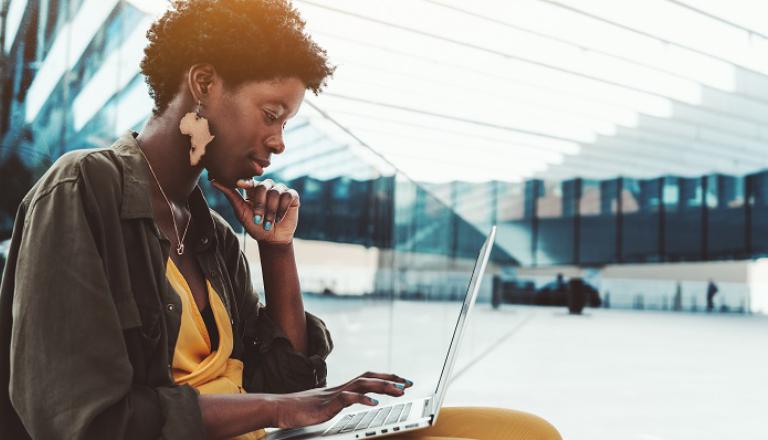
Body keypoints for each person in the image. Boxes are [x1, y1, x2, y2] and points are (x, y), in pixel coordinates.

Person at [0, 1, 561, 439]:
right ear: (203, 83)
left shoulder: (211, 236)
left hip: (263, 432)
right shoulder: (82, 190)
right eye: (272, 115)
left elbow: (291, 381)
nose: (279, 142)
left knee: (526, 431)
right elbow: (83, 421)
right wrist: (278, 409)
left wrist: (275, 251)